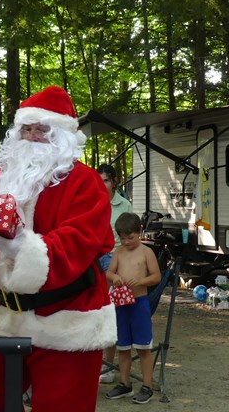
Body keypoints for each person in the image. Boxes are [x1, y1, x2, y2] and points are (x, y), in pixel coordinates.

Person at [0, 85, 117, 412]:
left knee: (62, 408)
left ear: (63, 136)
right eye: (25, 129)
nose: (31, 137)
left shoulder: (85, 182)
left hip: (65, 318)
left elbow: (78, 243)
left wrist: (20, 245)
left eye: (41, 130)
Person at [105, 212, 161, 404]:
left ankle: (147, 386)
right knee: (123, 346)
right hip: (121, 304)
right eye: (123, 238)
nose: (127, 242)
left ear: (139, 231)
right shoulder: (118, 252)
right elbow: (109, 273)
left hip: (139, 303)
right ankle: (125, 383)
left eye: (130, 237)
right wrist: (115, 277)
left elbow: (156, 276)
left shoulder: (146, 252)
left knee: (143, 347)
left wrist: (141, 281)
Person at [96, 163, 133, 384]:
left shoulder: (124, 205)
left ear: (114, 182)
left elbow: (130, 240)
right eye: (99, 180)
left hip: (114, 259)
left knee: (109, 313)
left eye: (106, 180)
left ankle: (107, 366)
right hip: (93, 257)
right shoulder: (91, 201)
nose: (102, 185)